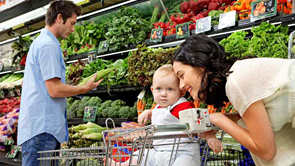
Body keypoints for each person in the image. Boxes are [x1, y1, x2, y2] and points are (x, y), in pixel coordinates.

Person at [172, 34, 295, 166]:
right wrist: (228, 119)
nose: (181, 85)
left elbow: (266, 151)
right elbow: (265, 117)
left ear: (200, 64)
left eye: (182, 75)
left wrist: (218, 119)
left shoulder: (236, 82)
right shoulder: (238, 73)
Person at [17, 1, 103, 165]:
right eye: (72, 23)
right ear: (59, 18)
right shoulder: (48, 45)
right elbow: (54, 90)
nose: (73, 29)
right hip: (42, 131)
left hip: (40, 130)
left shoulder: (41, 42)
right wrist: (83, 88)